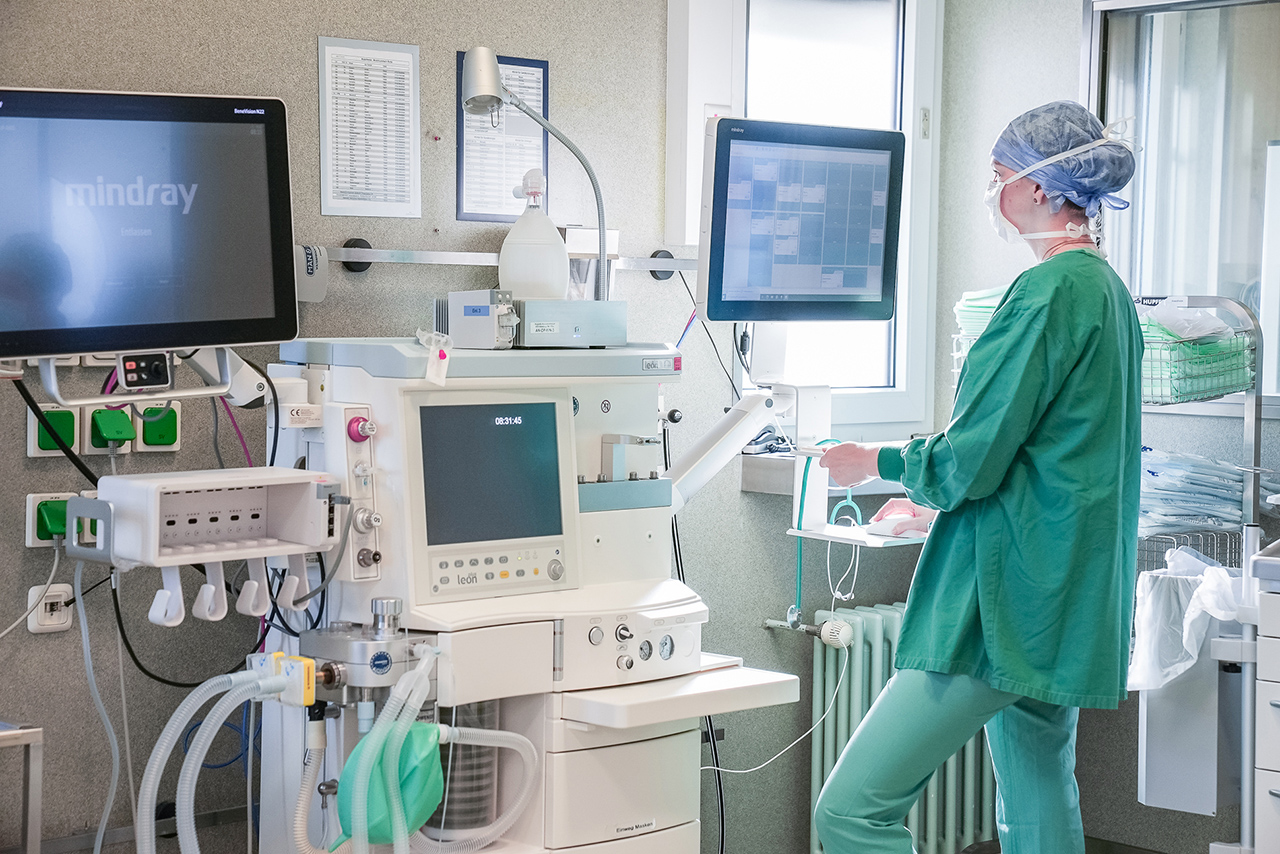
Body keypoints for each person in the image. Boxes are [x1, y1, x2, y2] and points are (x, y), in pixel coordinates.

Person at [814, 100, 1142, 854]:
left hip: (1004, 605)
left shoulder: (1048, 294)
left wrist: (875, 463)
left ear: (1037, 189)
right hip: (1058, 596)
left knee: (851, 814)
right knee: (1037, 807)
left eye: (998, 178)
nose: (993, 196)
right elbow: (1057, 460)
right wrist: (939, 510)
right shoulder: (1107, 293)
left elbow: (970, 457)